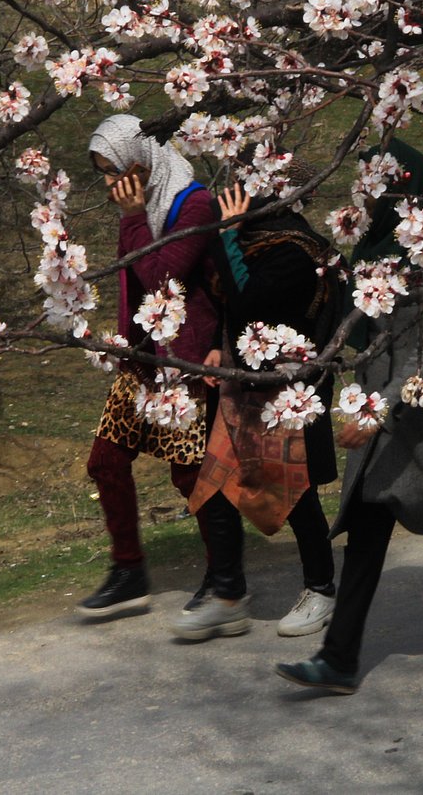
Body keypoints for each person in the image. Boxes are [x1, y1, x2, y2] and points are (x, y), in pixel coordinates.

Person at [275, 139, 423, 695]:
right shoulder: (377, 247)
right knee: (370, 527)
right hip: (385, 409)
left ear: (404, 192)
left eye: (376, 185)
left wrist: (378, 412)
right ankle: (339, 660)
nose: (365, 193)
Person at [169, 167, 341, 641]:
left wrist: (225, 237)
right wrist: (219, 348)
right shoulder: (251, 243)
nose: (229, 207)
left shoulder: (296, 251)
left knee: (294, 490)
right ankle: (227, 595)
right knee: (218, 482)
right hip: (242, 388)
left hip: (287, 393)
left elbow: (249, 299)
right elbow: (231, 303)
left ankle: (321, 587)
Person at [77, 115, 220, 618]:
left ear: (142, 161)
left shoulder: (194, 203)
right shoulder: (137, 208)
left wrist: (133, 217)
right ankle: (128, 571)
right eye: (105, 174)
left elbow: (161, 276)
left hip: (183, 361)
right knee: (105, 461)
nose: (113, 185)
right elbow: (131, 281)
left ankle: (222, 579)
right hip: (140, 360)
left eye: (117, 170)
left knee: (190, 476)